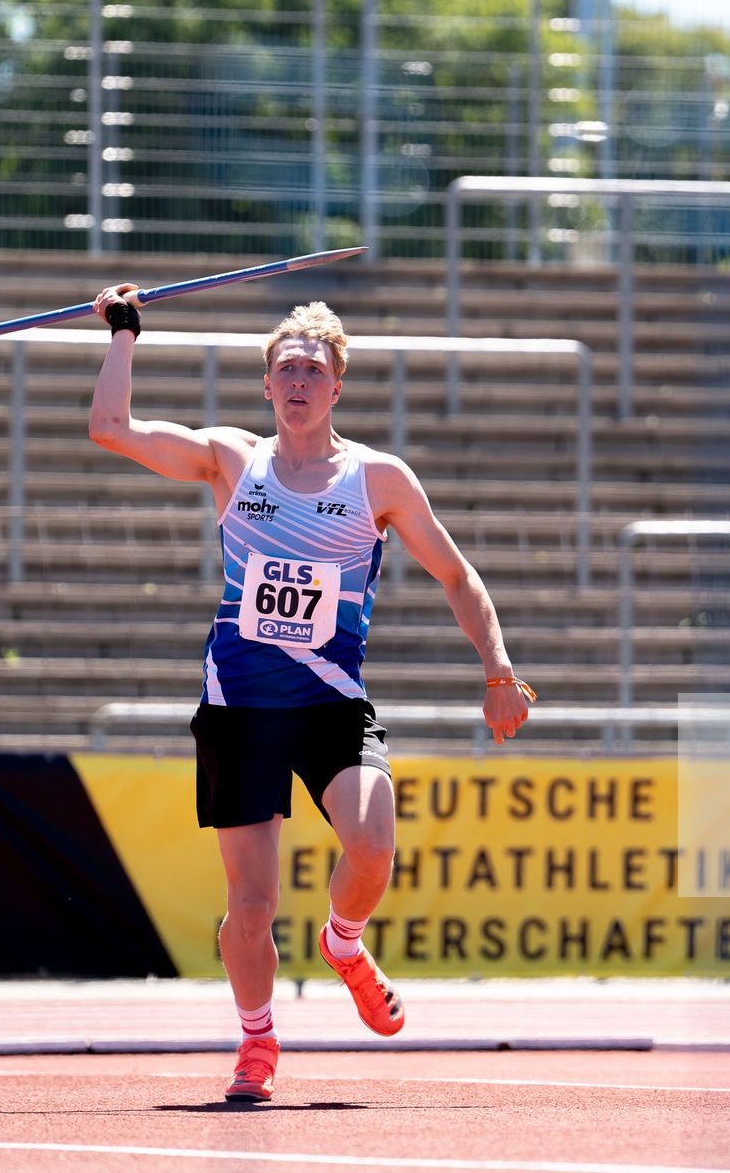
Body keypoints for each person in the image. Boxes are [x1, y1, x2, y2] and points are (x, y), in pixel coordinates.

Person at [87, 285, 535, 1103]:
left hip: (331, 702)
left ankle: (343, 942)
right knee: (250, 907)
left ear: (337, 387)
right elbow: (109, 429)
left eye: (314, 370)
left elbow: (457, 576)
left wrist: (498, 668)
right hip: (241, 708)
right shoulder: (231, 459)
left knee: (371, 842)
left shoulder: (377, 480)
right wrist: (123, 333)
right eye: (286, 368)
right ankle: (257, 1044)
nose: (298, 382)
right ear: (267, 385)